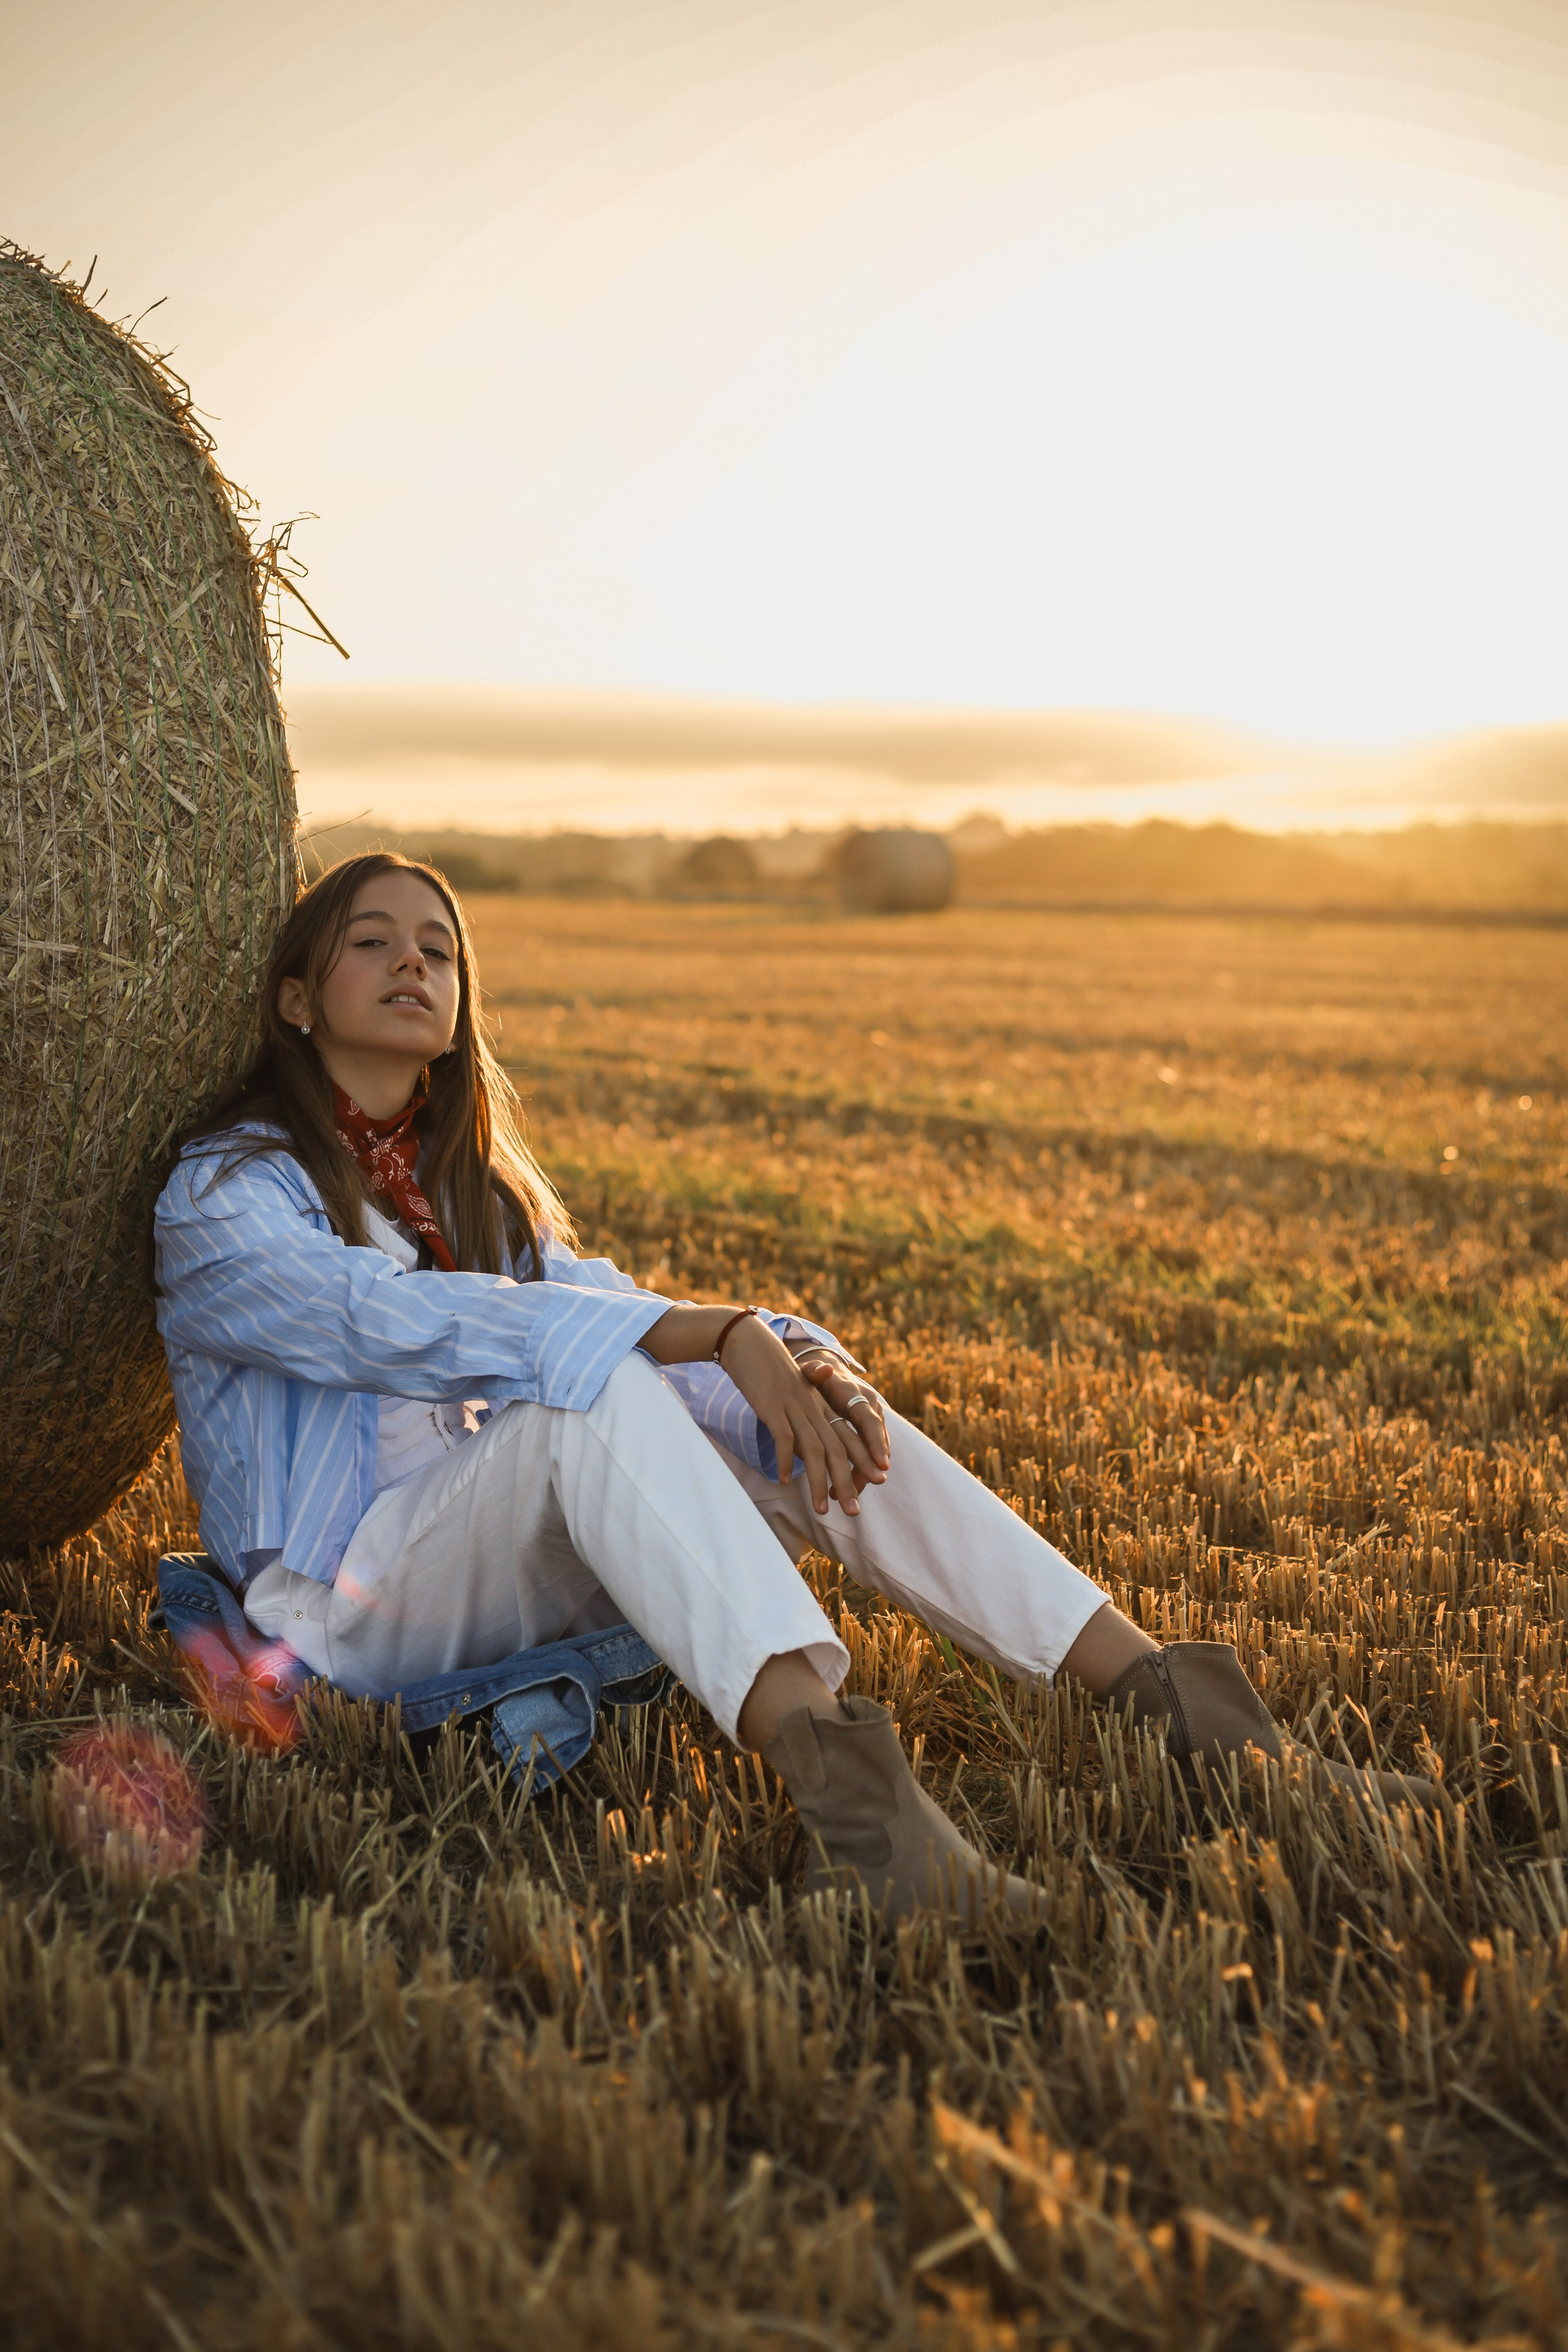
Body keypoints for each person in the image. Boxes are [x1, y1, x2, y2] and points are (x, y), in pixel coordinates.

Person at [154, 854, 1431, 1926]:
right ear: (295, 999)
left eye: (440, 946)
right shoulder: (226, 1195)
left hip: (501, 1573)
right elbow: (378, 1321)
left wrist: (802, 1366)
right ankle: (868, 1826)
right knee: (597, 1385)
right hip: (342, 1621)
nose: (414, 962)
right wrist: (707, 1333)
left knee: (767, 1407)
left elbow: (614, 1310)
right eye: (371, 942)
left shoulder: (480, 1203)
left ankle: (1195, 1720)